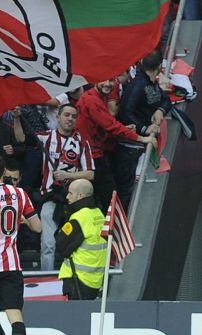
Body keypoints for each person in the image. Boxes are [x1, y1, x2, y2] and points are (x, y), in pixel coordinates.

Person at [16, 103, 95, 271]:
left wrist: (68, 176)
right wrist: (16, 117)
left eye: (74, 116)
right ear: (57, 117)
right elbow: (21, 138)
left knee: (76, 242)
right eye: (66, 115)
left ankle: (75, 276)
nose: (70, 119)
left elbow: (90, 174)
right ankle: (46, 278)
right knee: (47, 243)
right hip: (51, 197)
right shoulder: (45, 137)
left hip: (75, 201)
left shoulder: (82, 143)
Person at [0, 154, 42, 335]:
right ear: (4, 171)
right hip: (11, 263)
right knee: (15, 315)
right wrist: (25, 221)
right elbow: (38, 227)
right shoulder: (19, 193)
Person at [76, 79, 156, 209]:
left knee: (105, 194)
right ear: (96, 80)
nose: (108, 84)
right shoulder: (91, 100)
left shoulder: (98, 97)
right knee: (109, 197)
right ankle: (111, 228)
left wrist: (124, 128)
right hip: (92, 155)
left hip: (96, 152)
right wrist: (141, 138)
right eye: (104, 80)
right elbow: (110, 126)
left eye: (112, 80)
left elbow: (105, 126)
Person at [115, 50, 172, 208]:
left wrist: (160, 110)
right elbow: (125, 113)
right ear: (160, 66)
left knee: (129, 190)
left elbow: (166, 100)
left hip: (138, 146)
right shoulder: (138, 84)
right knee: (125, 191)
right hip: (128, 147)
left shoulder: (150, 82)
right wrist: (145, 128)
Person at [55, 179, 107, 301]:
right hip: (95, 279)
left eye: (70, 193)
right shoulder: (98, 214)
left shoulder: (79, 217)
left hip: (78, 278)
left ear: (80, 195)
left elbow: (61, 246)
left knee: (75, 317)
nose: (67, 196)